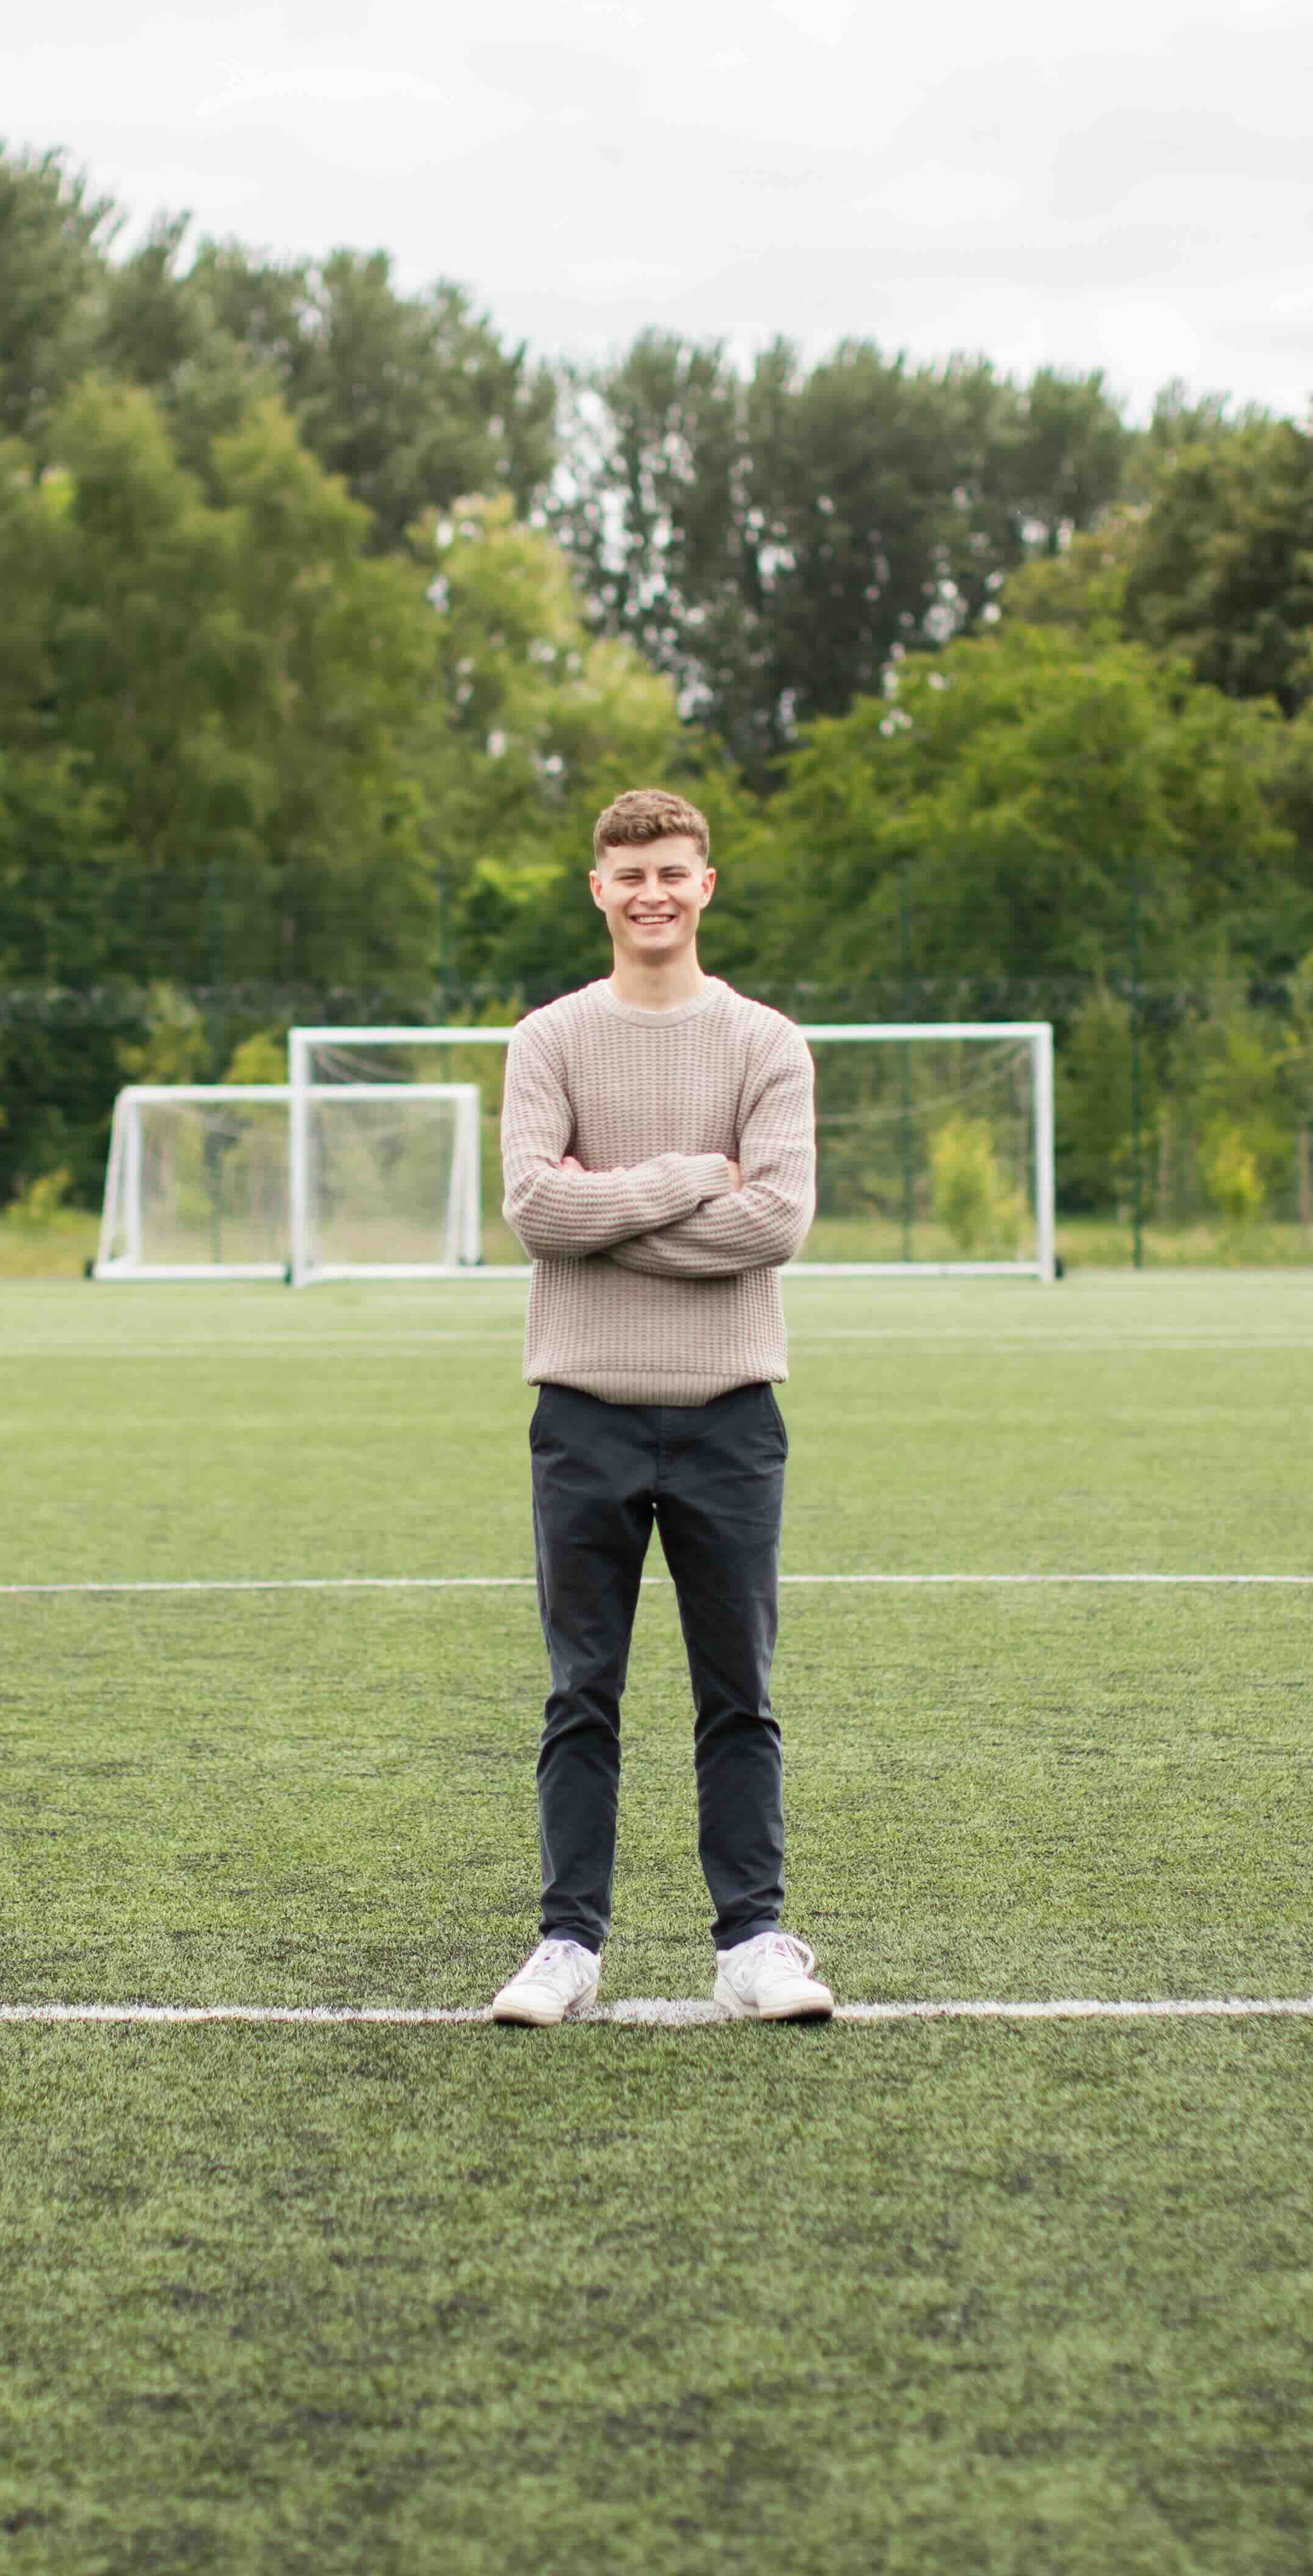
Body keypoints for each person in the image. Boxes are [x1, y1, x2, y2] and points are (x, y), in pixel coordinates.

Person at [484, 789, 833, 2026]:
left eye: (672, 873)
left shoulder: (764, 1042)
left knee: (735, 1685)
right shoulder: (548, 1041)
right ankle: (566, 1943)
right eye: (628, 874)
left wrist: (607, 1215)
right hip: (581, 1409)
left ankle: (750, 1939)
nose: (650, 893)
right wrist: (691, 1181)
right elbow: (535, 1210)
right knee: (583, 1686)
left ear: (706, 884)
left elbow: (776, 1223)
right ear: (596, 890)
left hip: (730, 1410)